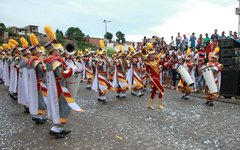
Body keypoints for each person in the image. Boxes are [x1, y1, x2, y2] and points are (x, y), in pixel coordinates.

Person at [44, 26, 84, 138]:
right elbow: (62, 74)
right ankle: (56, 128)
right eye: (57, 49)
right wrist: (73, 69)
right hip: (58, 87)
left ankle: (59, 128)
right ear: (53, 50)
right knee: (63, 106)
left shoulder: (49, 61)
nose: (59, 51)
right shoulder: (54, 61)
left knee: (61, 106)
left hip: (55, 86)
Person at [28, 33, 48, 124]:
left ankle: (36, 116)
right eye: (39, 52)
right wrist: (47, 66)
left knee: (36, 99)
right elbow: (42, 69)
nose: (41, 53)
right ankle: (38, 116)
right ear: (36, 52)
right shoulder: (36, 61)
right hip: (38, 82)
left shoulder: (31, 60)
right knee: (39, 99)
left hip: (33, 82)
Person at [144, 43, 165, 110]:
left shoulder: (156, 60)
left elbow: (163, 63)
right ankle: (159, 104)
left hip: (158, 77)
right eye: (152, 54)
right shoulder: (148, 62)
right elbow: (146, 71)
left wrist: (165, 63)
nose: (153, 55)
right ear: (149, 55)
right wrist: (149, 76)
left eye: (154, 54)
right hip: (154, 78)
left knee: (154, 91)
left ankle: (150, 104)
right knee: (162, 90)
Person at [18, 37, 31, 113]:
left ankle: (26, 105)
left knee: (25, 90)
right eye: (29, 54)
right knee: (26, 90)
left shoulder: (23, 60)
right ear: (26, 54)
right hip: (26, 78)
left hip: (25, 77)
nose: (30, 55)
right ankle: (27, 105)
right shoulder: (24, 61)